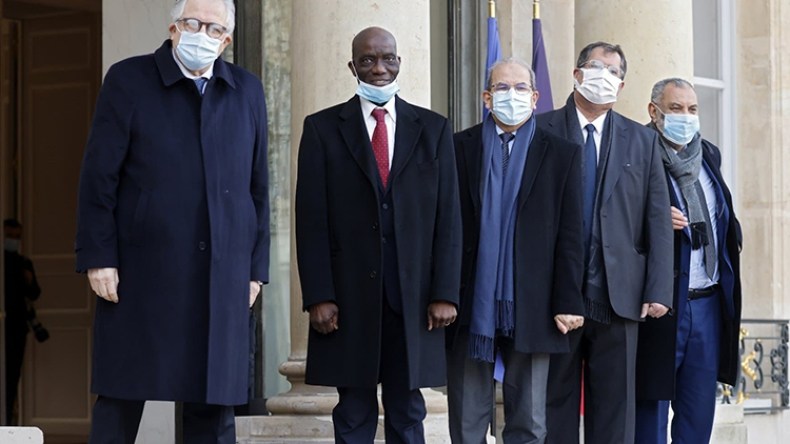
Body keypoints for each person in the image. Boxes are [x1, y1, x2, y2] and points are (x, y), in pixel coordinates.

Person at [75, 0, 269, 442]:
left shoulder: (247, 90)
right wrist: (98, 256)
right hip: (141, 270)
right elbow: (98, 177)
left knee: (213, 407)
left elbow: (257, 187)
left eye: (213, 28)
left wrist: (255, 270)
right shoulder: (128, 80)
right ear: (173, 28)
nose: (202, 34)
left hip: (222, 273)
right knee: (121, 396)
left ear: (226, 41)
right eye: (192, 23)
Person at [295, 26, 461, 444]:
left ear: (399, 62)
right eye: (367, 60)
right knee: (353, 412)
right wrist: (318, 296)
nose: (379, 68)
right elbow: (311, 220)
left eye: (387, 58)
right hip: (348, 298)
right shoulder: (322, 129)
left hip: (415, 300)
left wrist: (445, 292)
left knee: (408, 412)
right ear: (353, 66)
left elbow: (448, 218)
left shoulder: (433, 129)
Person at [536, 41, 674, 444]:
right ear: (577, 74)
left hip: (619, 296)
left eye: (614, 72)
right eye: (598, 67)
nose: (605, 77)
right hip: (554, 297)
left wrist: (658, 289)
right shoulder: (540, 129)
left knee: (615, 413)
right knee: (552, 409)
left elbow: (657, 219)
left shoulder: (642, 140)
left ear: (622, 85)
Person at [446, 58, 585, 443]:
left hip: (535, 303)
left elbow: (571, 236)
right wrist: (442, 294)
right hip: (470, 302)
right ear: (487, 97)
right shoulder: (458, 147)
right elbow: (445, 229)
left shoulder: (562, 153)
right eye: (502, 88)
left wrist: (568, 300)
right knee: (467, 421)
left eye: (521, 87)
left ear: (535, 97)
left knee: (529, 421)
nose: (512, 95)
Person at [635, 78, 742, 444]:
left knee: (697, 416)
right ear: (654, 111)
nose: (685, 116)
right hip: (662, 303)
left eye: (692, 109)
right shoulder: (636, 152)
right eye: (676, 108)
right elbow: (612, 221)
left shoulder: (708, 154)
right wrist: (651, 217)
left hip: (707, 302)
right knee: (650, 414)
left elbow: (722, 218)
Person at [3, 219, 42, 424]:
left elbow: (34, 293)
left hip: (16, 327)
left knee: (11, 378)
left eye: (16, 237)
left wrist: (29, 279)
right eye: (9, 236)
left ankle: (7, 422)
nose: (13, 240)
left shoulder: (23, 263)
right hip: (4, 323)